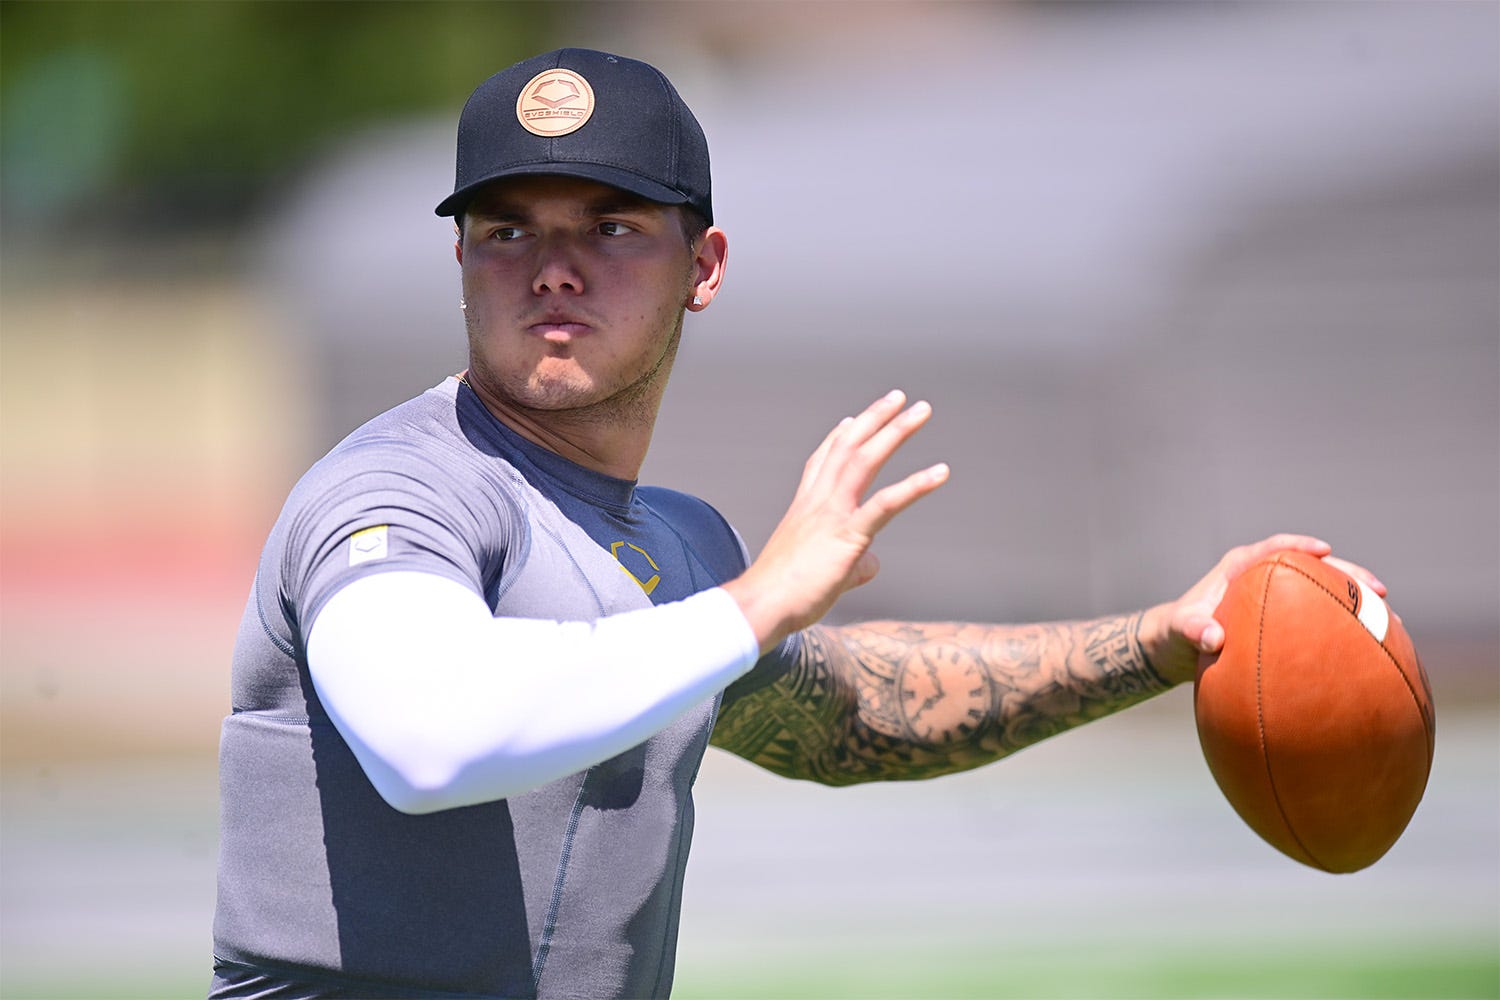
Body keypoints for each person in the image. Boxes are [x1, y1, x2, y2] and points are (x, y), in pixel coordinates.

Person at [210, 47, 1383, 999]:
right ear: (461, 259)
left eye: (610, 225)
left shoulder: (675, 548)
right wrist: (757, 598)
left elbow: (850, 710)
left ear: (704, 265)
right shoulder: (396, 492)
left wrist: (1167, 638)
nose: (552, 268)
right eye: (508, 228)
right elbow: (430, 740)